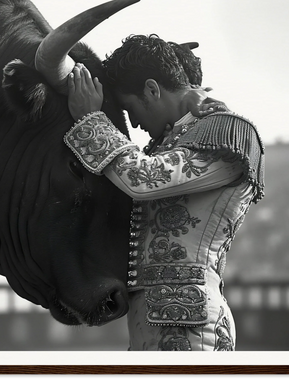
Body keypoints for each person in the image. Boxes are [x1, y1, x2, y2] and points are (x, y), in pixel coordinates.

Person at [64, 34, 265, 351]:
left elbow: (142, 179)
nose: (133, 123)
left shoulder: (228, 132)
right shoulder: (173, 141)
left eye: (129, 108)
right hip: (156, 323)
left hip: (192, 328)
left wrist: (91, 120)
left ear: (152, 89)